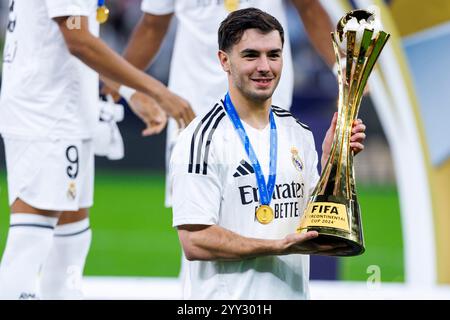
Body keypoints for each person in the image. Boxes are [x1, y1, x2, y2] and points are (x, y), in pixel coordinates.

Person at [0, 0, 194, 299]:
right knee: (30, 241)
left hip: (63, 116)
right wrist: (156, 90)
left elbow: (75, 37)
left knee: (70, 244)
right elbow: (78, 40)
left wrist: (129, 91)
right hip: (46, 118)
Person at [170, 8, 367, 299]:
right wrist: (277, 246)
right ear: (224, 60)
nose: (265, 66)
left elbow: (314, 217)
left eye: (273, 55)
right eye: (251, 55)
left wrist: (332, 163)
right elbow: (195, 241)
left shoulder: (297, 132)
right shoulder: (201, 139)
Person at [121, 0, 337, 207]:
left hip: (264, 102)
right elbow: (152, 25)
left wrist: (341, 66)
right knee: (195, 212)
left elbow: (309, 6)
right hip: (193, 107)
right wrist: (121, 86)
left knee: (273, 207)